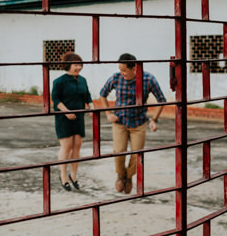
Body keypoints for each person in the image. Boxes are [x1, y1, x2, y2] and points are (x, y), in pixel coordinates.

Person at [99, 53, 167, 194]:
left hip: (138, 123)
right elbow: (102, 93)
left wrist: (154, 120)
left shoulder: (148, 79)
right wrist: (108, 113)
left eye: (124, 70)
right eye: (120, 69)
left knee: (137, 154)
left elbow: (162, 99)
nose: (121, 73)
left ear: (135, 68)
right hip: (120, 121)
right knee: (118, 152)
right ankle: (120, 175)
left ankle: (129, 177)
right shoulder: (116, 78)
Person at [51, 51, 93, 191]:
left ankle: (73, 175)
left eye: (80, 65)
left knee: (77, 146)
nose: (79, 67)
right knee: (67, 146)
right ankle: (63, 175)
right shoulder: (59, 81)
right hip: (64, 118)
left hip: (79, 118)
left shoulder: (83, 80)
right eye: (76, 65)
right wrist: (66, 112)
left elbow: (87, 96)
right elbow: (56, 100)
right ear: (68, 65)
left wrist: (92, 107)